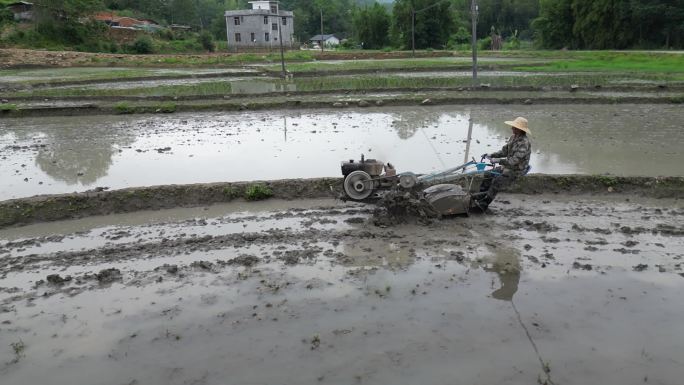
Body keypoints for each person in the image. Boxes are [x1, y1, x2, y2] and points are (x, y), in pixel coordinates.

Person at [473, 117, 532, 211]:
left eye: (514, 127)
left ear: (520, 130)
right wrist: (491, 155)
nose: (512, 128)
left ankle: (484, 204)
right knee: (488, 174)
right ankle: (480, 197)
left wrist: (498, 161)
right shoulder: (513, 137)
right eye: (513, 126)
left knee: (497, 181)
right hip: (507, 166)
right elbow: (504, 151)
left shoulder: (524, 143)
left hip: (517, 170)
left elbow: (513, 161)